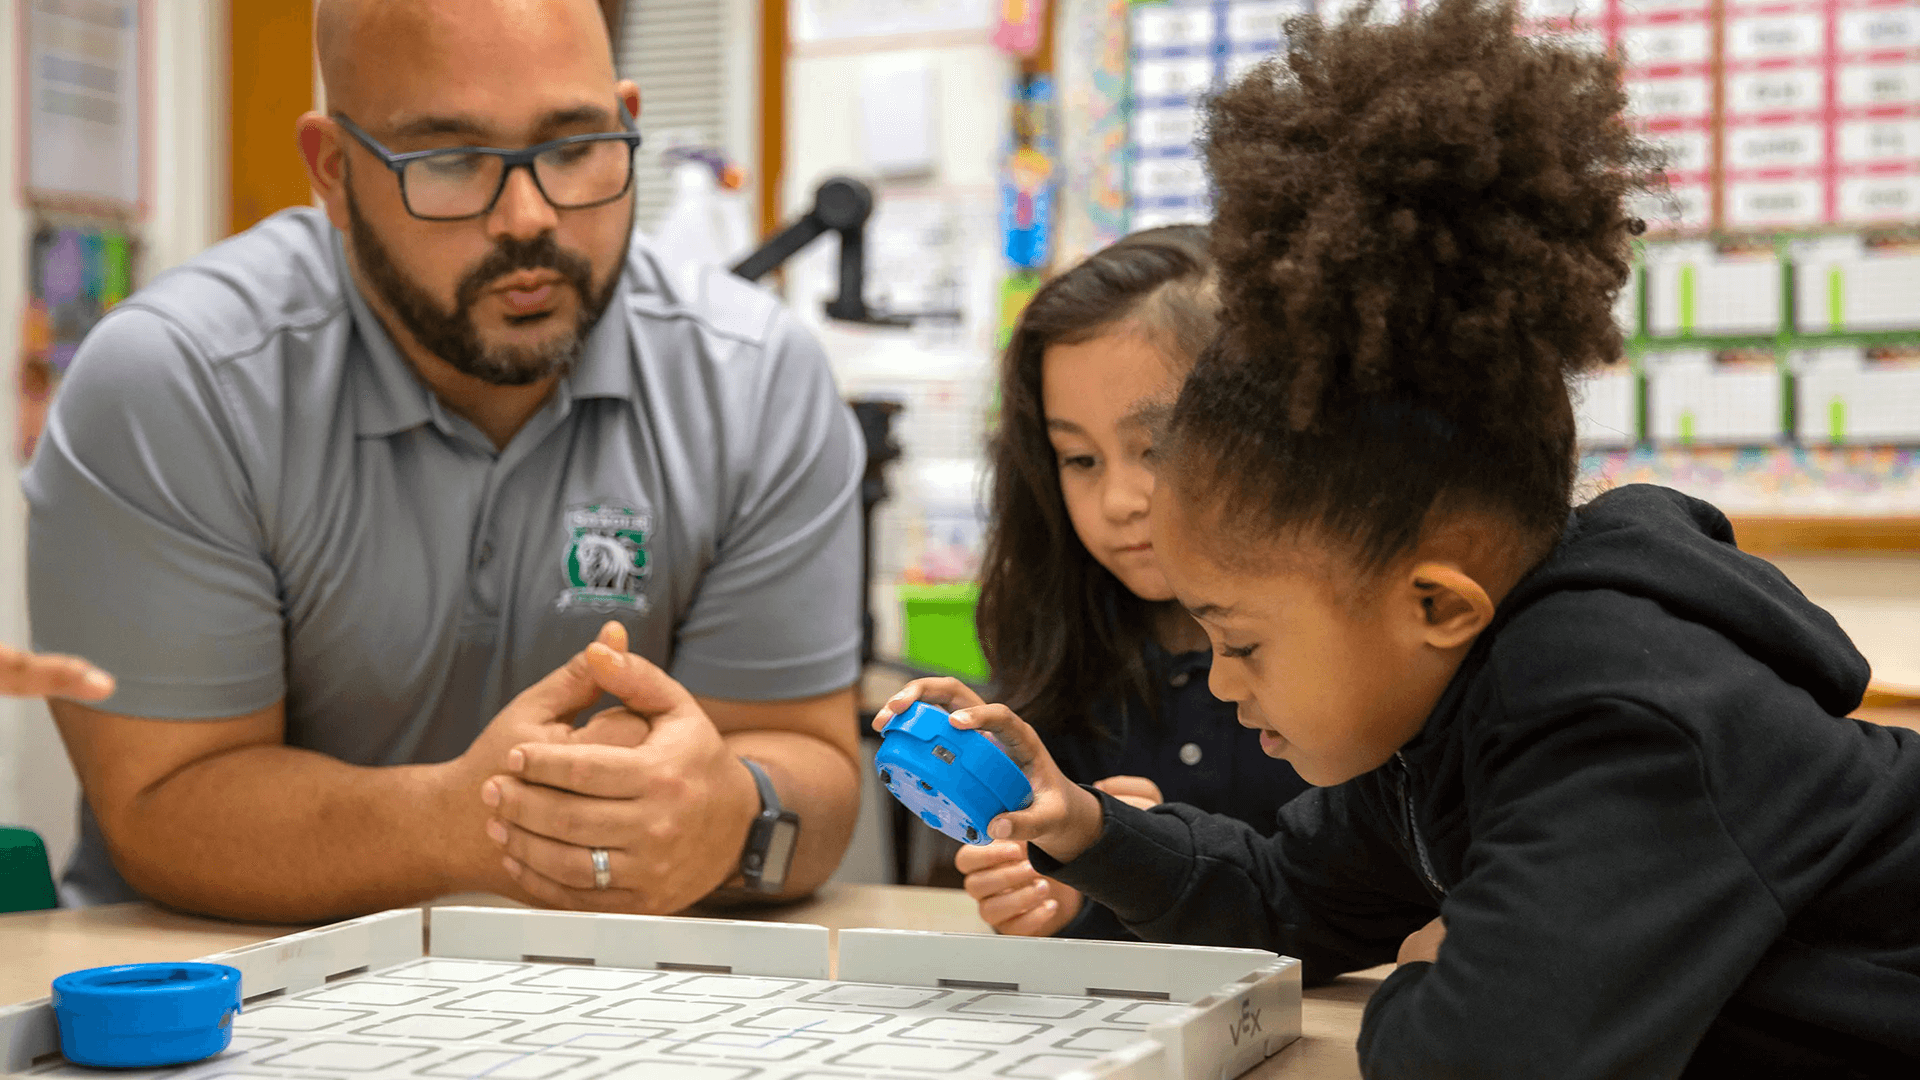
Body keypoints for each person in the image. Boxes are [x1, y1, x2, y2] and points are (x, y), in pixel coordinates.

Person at [877, 1, 1920, 1074]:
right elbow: (1285, 901)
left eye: (1241, 642)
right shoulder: (1446, 702)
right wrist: (1090, 828)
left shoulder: (1628, 723)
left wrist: (1434, 962)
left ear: (1434, 603)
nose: (1226, 685)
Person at [26, 0, 864, 923]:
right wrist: (467, 826)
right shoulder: (180, 382)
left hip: (616, 1001)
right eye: (451, 160)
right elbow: (162, 804)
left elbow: (808, 764)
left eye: (575, 146)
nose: (528, 216)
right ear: (334, 171)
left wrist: (732, 811)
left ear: (626, 119)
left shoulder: (755, 381)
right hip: (233, 1004)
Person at [878, 226, 1308, 939]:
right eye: (1079, 459)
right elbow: (1067, 898)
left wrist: (1141, 853)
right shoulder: (1064, 639)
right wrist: (1068, 889)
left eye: (1157, 446)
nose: (1117, 501)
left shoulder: (1338, 661)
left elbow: (1345, 895)